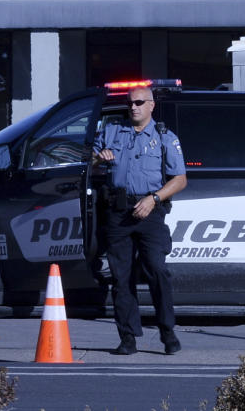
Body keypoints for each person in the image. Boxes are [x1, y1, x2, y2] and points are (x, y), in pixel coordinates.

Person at [92, 85, 187, 355]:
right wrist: (99, 158)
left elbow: (180, 179)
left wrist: (154, 199)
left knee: (157, 270)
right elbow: (86, 162)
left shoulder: (164, 137)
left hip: (150, 211)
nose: (133, 107)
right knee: (121, 279)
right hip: (118, 211)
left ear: (151, 105)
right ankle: (128, 338)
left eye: (139, 102)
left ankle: (168, 333)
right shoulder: (111, 132)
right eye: (130, 102)